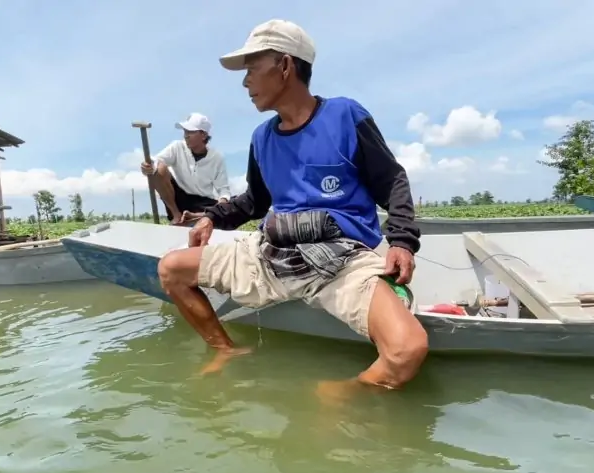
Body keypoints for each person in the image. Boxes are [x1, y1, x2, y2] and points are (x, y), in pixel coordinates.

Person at [156, 19, 428, 397]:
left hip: (341, 262)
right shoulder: (262, 138)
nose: (245, 82)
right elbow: (256, 201)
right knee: (171, 269)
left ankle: (343, 392)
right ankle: (226, 350)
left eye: (252, 69)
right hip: (272, 254)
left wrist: (401, 240)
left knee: (406, 350)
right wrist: (212, 216)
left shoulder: (346, 117)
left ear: (284, 66)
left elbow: (392, 181)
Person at [141, 113, 231, 225]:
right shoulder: (177, 147)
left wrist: (222, 206)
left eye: (191, 132)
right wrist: (148, 166)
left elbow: (223, 190)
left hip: (203, 202)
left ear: (203, 135)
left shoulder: (217, 157)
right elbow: (156, 161)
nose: (186, 135)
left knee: (231, 205)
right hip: (179, 198)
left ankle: (197, 216)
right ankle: (177, 215)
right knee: (159, 168)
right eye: (185, 132)